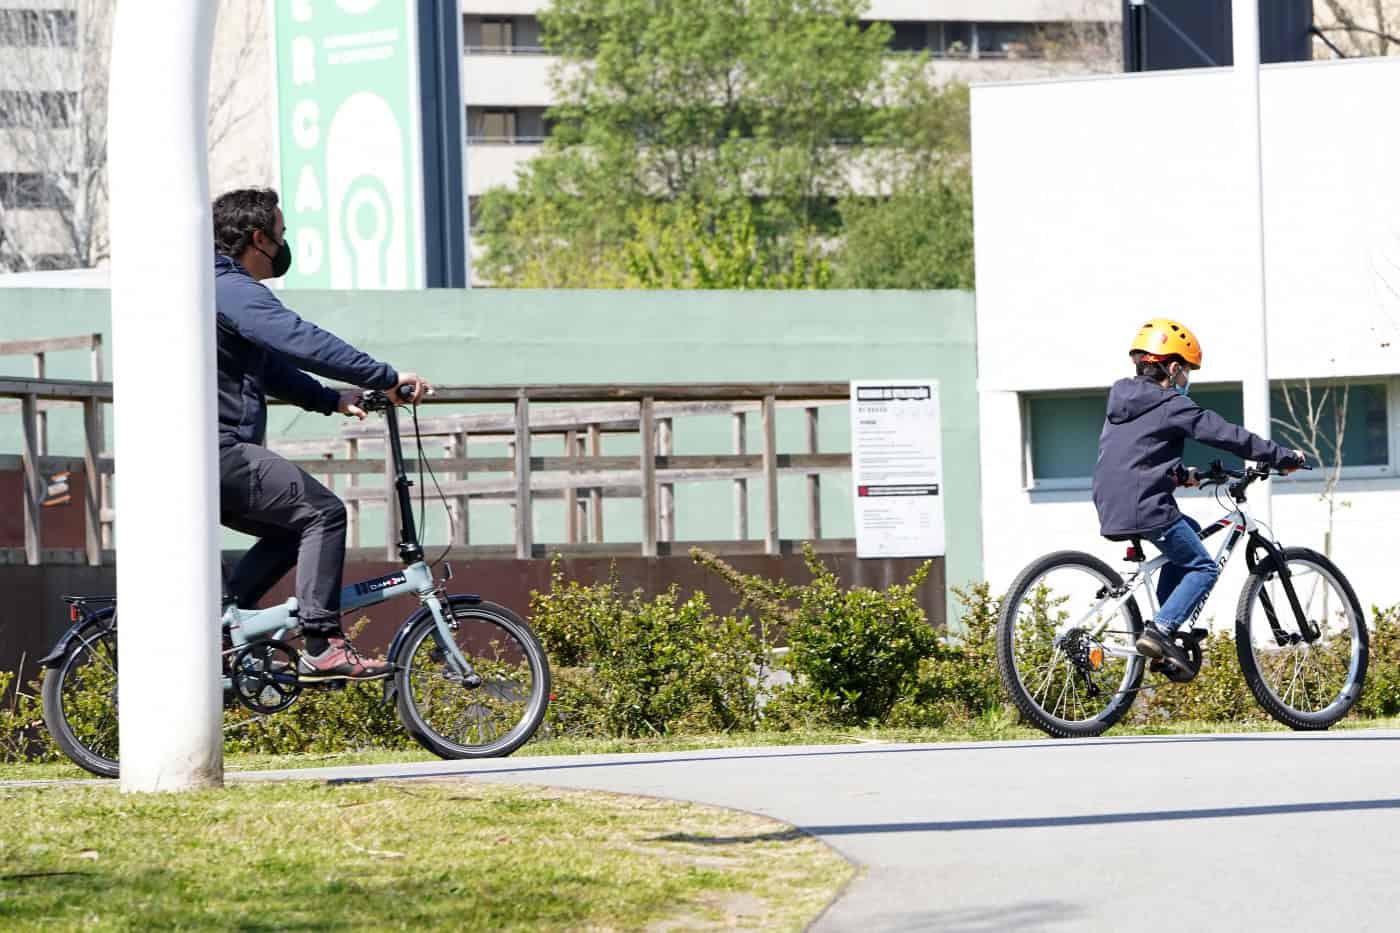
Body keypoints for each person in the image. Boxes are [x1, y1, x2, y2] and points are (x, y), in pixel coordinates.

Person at [212, 188, 430, 680]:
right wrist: (384, 376)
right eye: (282, 236)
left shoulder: (213, 289)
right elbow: (297, 339)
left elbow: (268, 368)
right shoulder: (232, 289)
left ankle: (222, 627)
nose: (285, 246)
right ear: (258, 239)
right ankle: (321, 641)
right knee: (324, 513)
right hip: (221, 452)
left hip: (207, 456)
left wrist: (333, 399)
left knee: (293, 527)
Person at [1091, 318, 1304, 673]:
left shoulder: (1121, 402)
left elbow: (1135, 458)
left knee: (1187, 532)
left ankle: (1164, 632)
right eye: (1186, 371)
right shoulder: (1169, 404)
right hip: (1147, 507)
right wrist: (1280, 457)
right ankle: (1160, 630)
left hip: (1111, 502)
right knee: (1203, 566)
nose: (1186, 380)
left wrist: (1179, 475)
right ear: (1172, 368)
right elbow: (1228, 436)